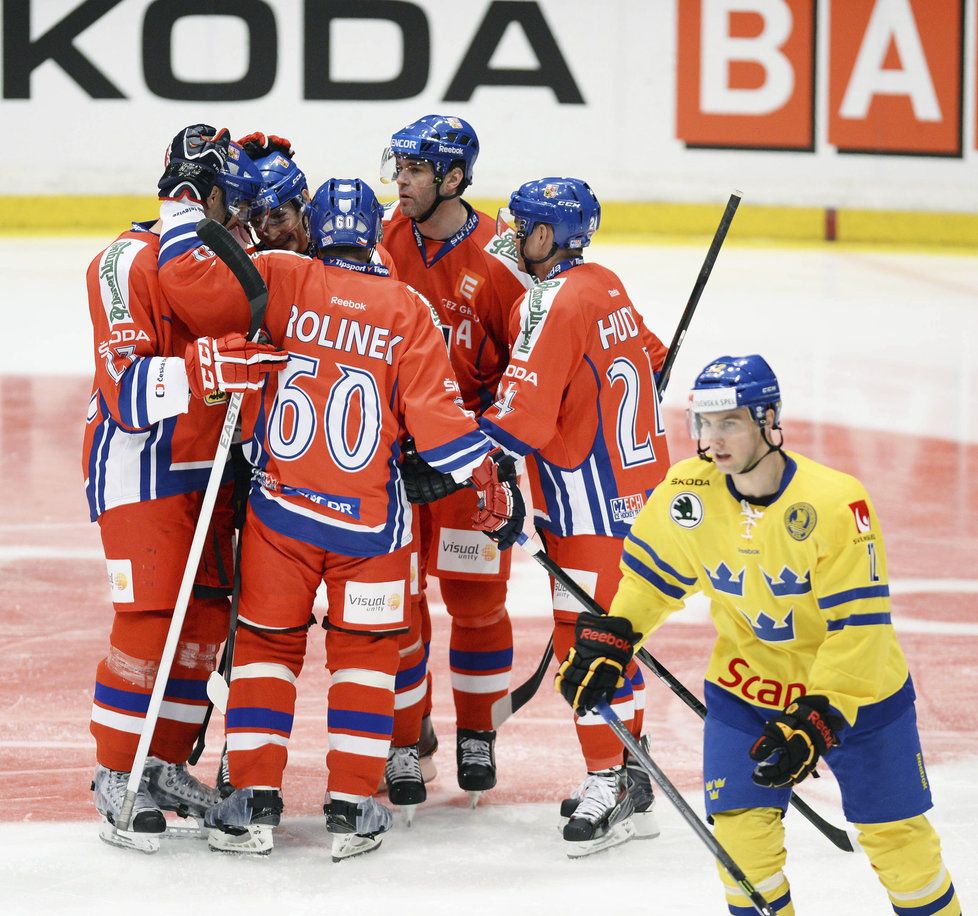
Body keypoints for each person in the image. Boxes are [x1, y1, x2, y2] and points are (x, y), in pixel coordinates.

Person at [155, 168, 525, 858]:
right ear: (372, 239)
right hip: (369, 528)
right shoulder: (407, 308)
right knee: (365, 654)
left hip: (282, 515)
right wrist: (490, 473)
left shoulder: (279, 276)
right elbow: (442, 431)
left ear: (318, 229)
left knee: (266, 650)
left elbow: (188, 285)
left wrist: (182, 212)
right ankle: (352, 808)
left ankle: (254, 803)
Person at [556, 355, 961, 913]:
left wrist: (823, 715)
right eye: (704, 423)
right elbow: (651, 581)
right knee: (743, 852)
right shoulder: (689, 492)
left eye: (731, 422)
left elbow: (859, 629)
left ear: (770, 421)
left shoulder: (836, 503)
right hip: (748, 692)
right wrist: (619, 635)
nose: (713, 439)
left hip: (860, 699)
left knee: (902, 850)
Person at [85, 124, 282, 852]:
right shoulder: (123, 260)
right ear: (199, 194)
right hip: (140, 466)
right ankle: (114, 771)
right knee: (149, 616)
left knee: (202, 625)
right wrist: (204, 370)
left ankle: (161, 762)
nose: (243, 215)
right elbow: (125, 396)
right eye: (234, 197)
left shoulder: (230, 260)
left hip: (215, 470)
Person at [474, 177, 669, 854]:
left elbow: (520, 418)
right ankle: (633, 773)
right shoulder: (605, 281)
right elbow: (654, 355)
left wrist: (455, 450)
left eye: (521, 226)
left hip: (588, 510)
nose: (510, 236)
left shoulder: (553, 302)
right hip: (640, 500)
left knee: (587, 650)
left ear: (545, 237)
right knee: (614, 640)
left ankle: (610, 783)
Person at [378, 114, 531, 803]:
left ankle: (478, 732)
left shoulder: (504, 256)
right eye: (398, 168)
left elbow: (528, 368)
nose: (400, 182)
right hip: (395, 464)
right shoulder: (380, 240)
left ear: (454, 178)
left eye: (414, 171)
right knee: (399, 609)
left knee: (475, 604)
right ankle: (407, 740)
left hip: (472, 463)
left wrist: (485, 451)